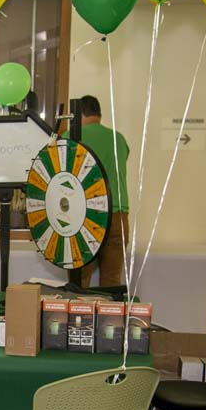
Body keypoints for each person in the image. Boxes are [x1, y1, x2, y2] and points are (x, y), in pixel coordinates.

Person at [64, 95, 130, 287]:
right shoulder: (119, 138)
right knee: (112, 281)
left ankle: (78, 318)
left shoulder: (72, 137)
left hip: (85, 215)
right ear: (98, 115)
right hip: (118, 213)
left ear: (80, 114)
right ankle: (110, 317)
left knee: (80, 281)